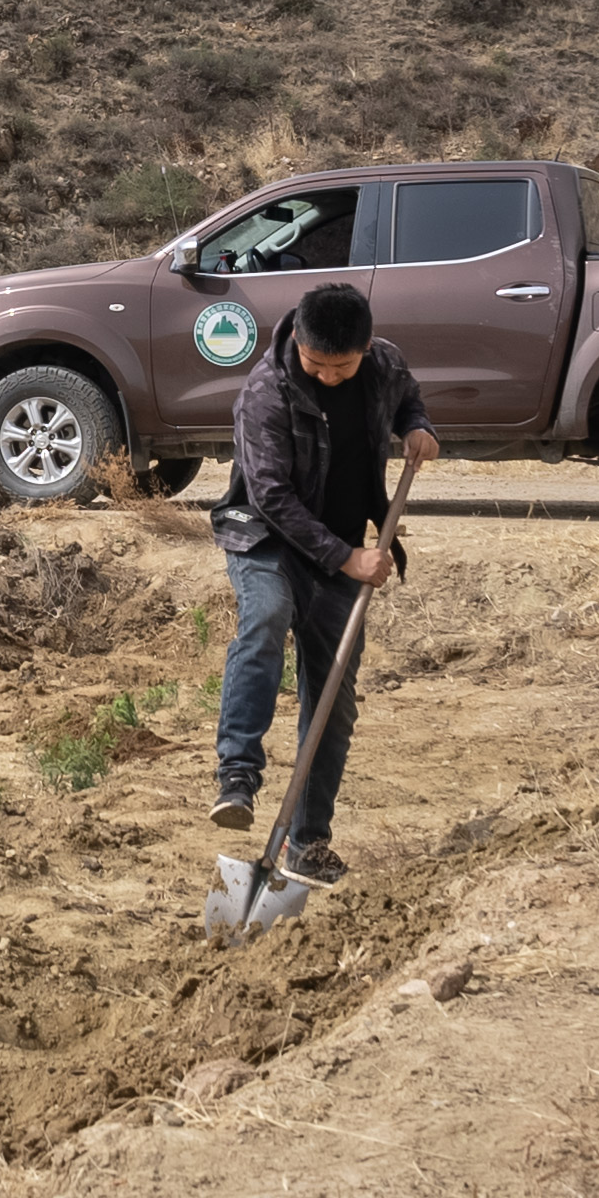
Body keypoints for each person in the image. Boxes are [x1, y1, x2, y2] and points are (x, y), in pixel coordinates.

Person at [208, 282, 436, 885]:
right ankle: (237, 775)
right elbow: (273, 498)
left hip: (339, 547)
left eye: (342, 367)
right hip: (266, 541)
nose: (328, 377)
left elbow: (409, 398)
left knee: (332, 696)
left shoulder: (383, 363)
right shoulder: (264, 395)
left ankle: (307, 843)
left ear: (364, 347)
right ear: (299, 343)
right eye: (316, 365)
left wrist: (418, 427)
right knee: (264, 619)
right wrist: (347, 558)